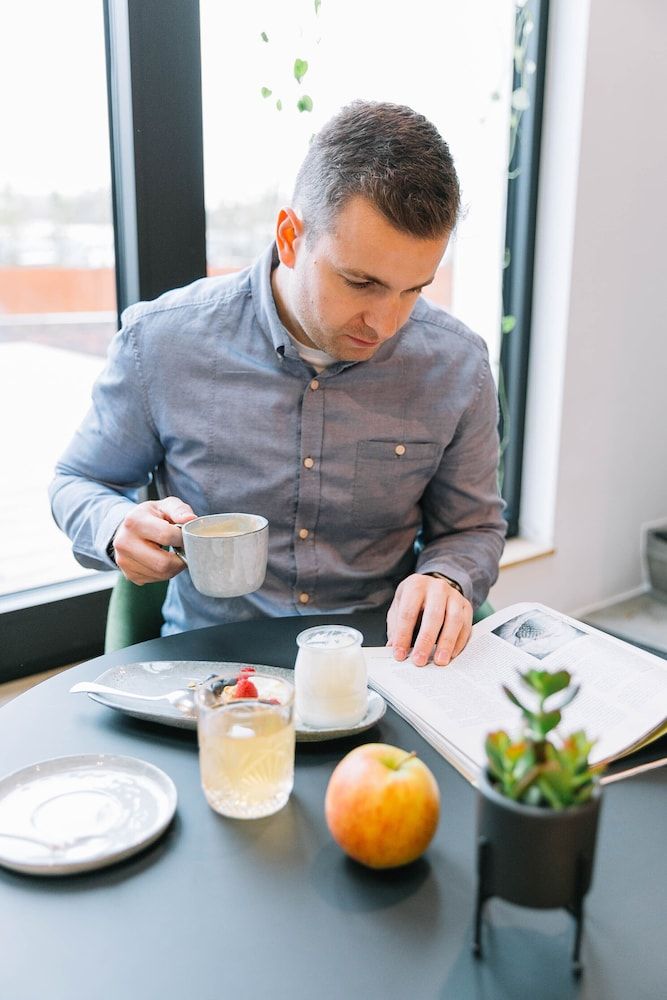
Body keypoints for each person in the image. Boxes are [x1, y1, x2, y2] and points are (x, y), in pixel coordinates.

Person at [50, 100, 506, 667]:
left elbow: (473, 527)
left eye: (413, 289)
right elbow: (77, 481)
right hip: (205, 668)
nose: (387, 324)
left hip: (379, 666)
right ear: (290, 236)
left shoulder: (456, 365)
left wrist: (448, 576)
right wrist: (115, 523)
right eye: (361, 282)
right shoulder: (162, 342)